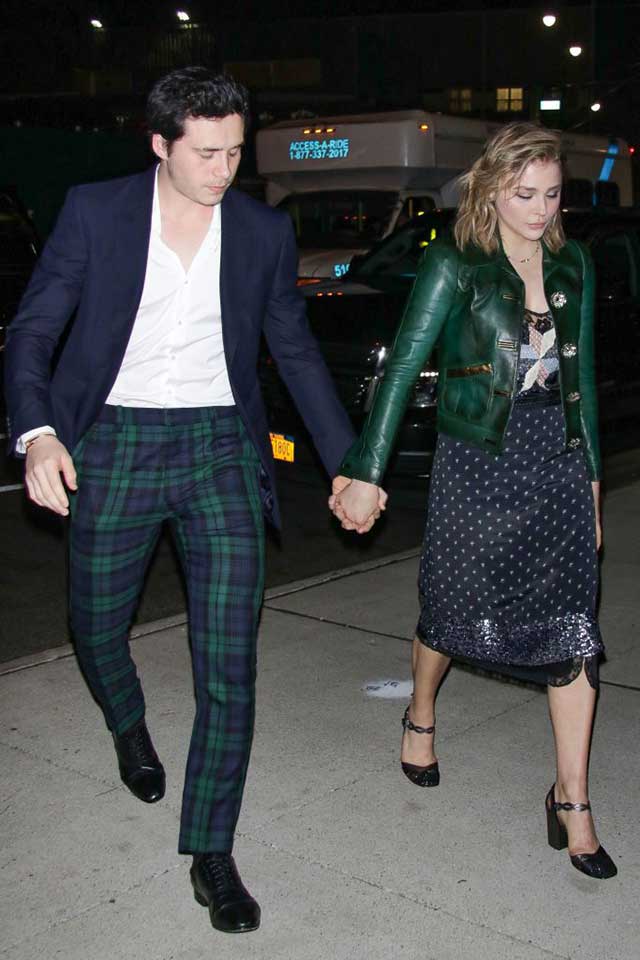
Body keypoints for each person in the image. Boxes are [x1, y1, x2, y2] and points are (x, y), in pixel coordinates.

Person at [4, 67, 385, 935]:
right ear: (160, 145)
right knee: (95, 626)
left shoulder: (261, 230)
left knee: (230, 664)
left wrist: (348, 464)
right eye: (207, 153)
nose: (224, 169)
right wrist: (40, 433)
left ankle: (212, 849)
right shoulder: (96, 213)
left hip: (219, 448)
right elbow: (33, 329)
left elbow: (293, 349)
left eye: (235, 152)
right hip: (113, 440)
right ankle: (129, 723)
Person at [331, 121, 617, 880]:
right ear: (491, 189)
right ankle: (421, 714)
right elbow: (403, 367)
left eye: (552, 194)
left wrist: (592, 488)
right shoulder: (456, 261)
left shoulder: (574, 263)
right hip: (478, 461)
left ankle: (573, 801)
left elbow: (583, 386)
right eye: (525, 194)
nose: (541, 210)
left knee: (574, 629)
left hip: (557, 464)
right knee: (452, 611)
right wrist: (367, 468)